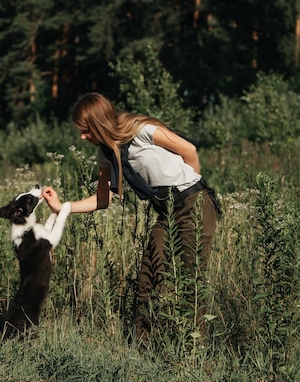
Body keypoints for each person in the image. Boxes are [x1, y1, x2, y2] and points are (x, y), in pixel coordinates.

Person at [42, 92, 218, 341]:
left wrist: (189, 185)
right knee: (150, 275)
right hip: (166, 211)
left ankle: (194, 352)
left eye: (85, 130)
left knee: (190, 280)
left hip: (194, 203)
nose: (82, 136)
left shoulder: (143, 131)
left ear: (98, 122)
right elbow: (103, 199)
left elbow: (189, 150)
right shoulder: (106, 153)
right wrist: (62, 207)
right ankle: (144, 348)